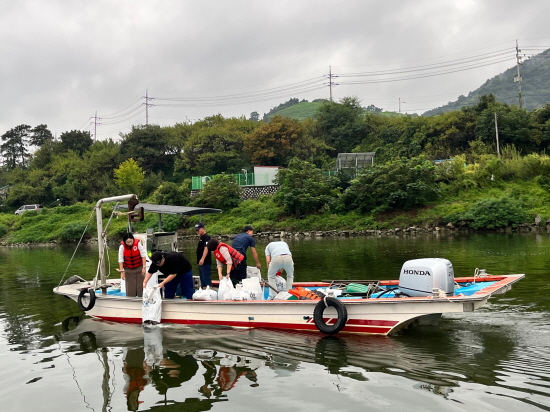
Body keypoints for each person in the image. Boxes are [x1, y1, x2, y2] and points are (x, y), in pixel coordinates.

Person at [118, 233, 147, 297]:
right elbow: (121, 260)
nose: (130, 243)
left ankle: (142, 299)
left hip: (139, 268)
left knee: (141, 287)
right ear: (125, 242)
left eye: (131, 241)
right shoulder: (122, 247)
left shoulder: (138, 244)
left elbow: (143, 255)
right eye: (128, 242)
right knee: (130, 289)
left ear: (133, 240)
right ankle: (131, 300)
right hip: (128, 270)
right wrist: (122, 272)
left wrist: (144, 268)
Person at [195, 223, 213, 288]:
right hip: (200, 262)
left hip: (205, 261)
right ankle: (204, 288)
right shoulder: (201, 237)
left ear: (202, 229)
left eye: (198, 230)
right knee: (202, 276)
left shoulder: (206, 237)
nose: (197, 232)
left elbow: (206, 248)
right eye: (196, 230)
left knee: (206, 276)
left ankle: (209, 288)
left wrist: (202, 259)